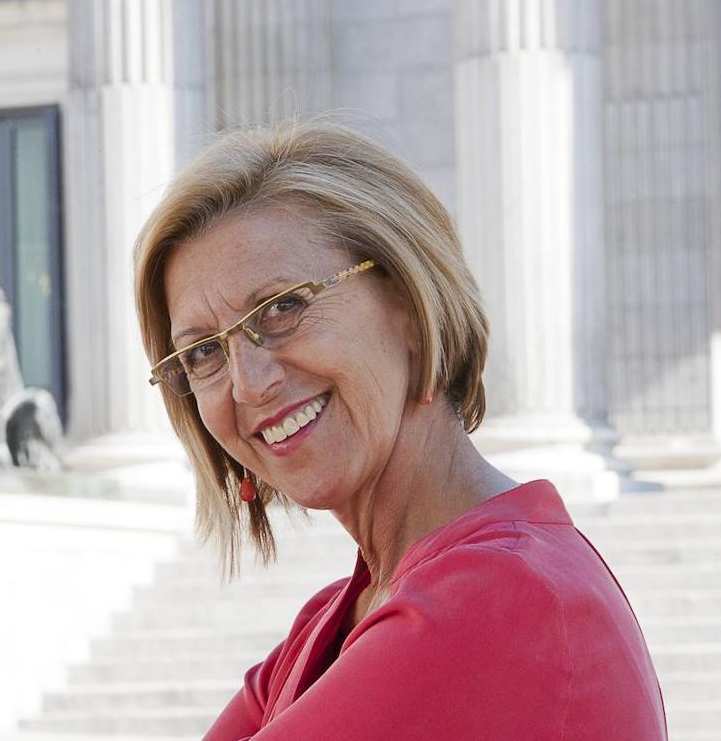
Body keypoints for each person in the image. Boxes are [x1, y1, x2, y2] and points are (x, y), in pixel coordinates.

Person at [132, 122, 668, 739]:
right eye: (202, 352)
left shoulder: (498, 598)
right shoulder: (330, 625)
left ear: (411, 306)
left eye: (282, 308)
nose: (248, 383)